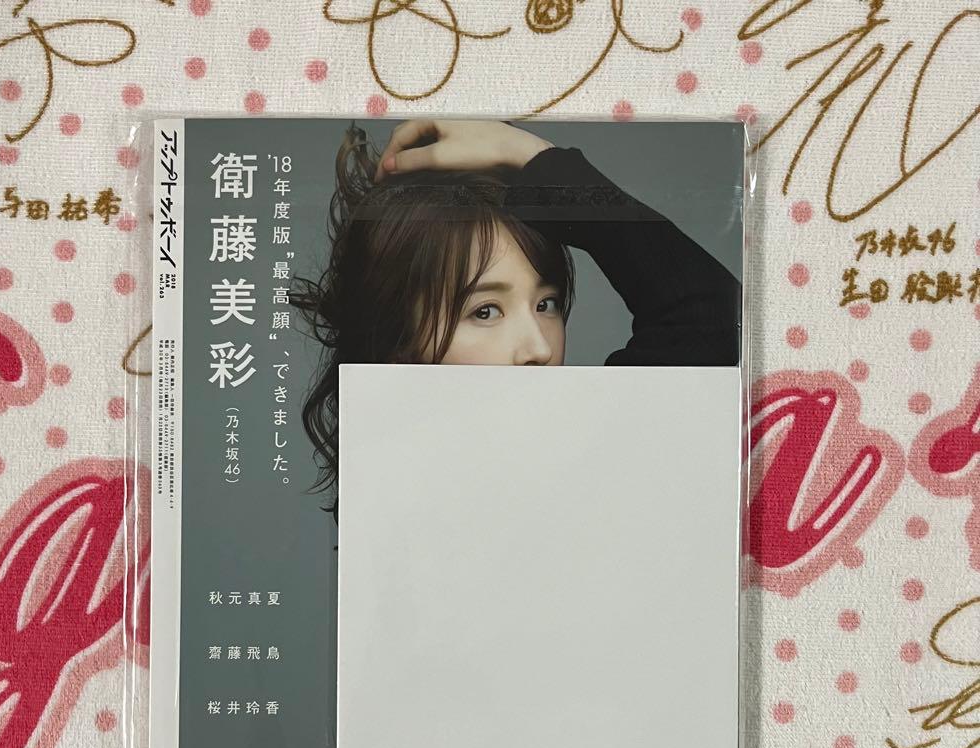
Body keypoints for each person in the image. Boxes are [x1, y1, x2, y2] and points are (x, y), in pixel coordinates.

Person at [289, 118, 741, 519]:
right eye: (485, 311)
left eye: (546, 305)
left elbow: (712, 316)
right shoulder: (398, 510)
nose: (540, 349)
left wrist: (533, 159)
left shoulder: (582, 450)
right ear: (398, 344)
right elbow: (707, 316)